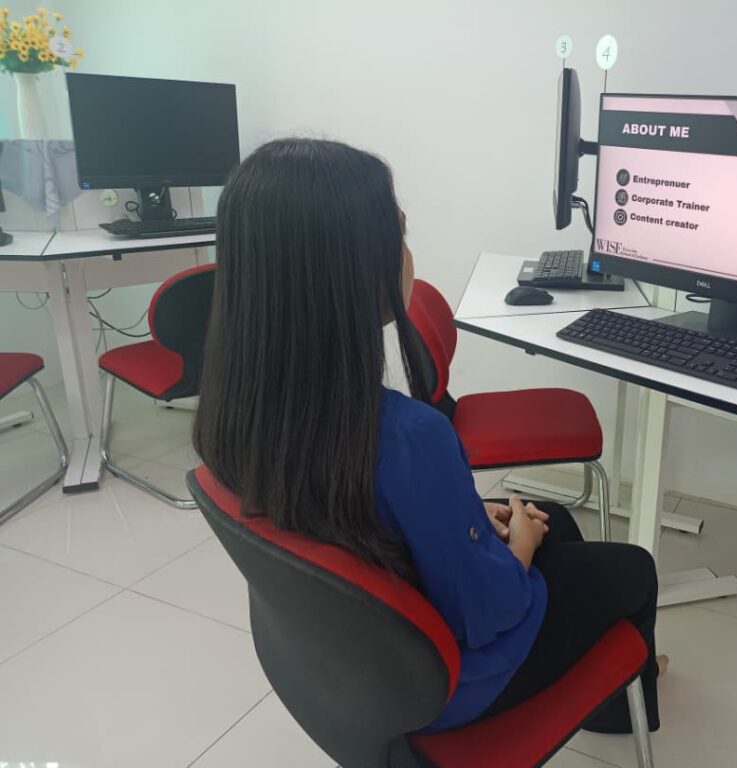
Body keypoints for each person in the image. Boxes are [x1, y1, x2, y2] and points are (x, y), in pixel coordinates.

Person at [192, 139, 662, 736]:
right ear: (353, 275)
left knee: (558, 523)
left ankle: (604, 682)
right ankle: (621, 709)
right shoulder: (411, 437)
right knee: (632, 570)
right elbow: (489, 611)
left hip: (346, 664)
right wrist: (516, 547)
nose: (409, 253)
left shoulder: (237, 415)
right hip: (443, 682)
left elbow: (350, 518)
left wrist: (462, 516)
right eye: (400, 235)